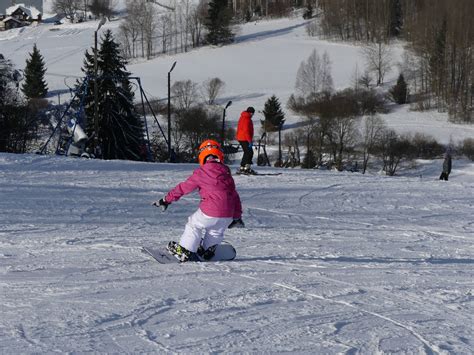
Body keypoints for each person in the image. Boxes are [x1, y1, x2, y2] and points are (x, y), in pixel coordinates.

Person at [153, 139, 244, 262]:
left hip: (210, 211)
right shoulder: (226, 173)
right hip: (228, 214)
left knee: (193, 224)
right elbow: (235, 196)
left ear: (202, 156)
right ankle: (208, 250)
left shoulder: (201, 172)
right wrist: (237, 216)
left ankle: (186, 250)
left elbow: (183, 188)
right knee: (215, 231)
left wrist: (166, 200)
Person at [236, 106, 256, 174]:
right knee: (250, 153)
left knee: (246, 152)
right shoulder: (246, 119)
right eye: (252, 113)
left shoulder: (243, 117)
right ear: (250, 113)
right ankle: (246, 168)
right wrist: (249, 141)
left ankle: (242, 167)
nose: (253, 115)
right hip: (244, 138)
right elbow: (246, 131)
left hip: (241, 138)